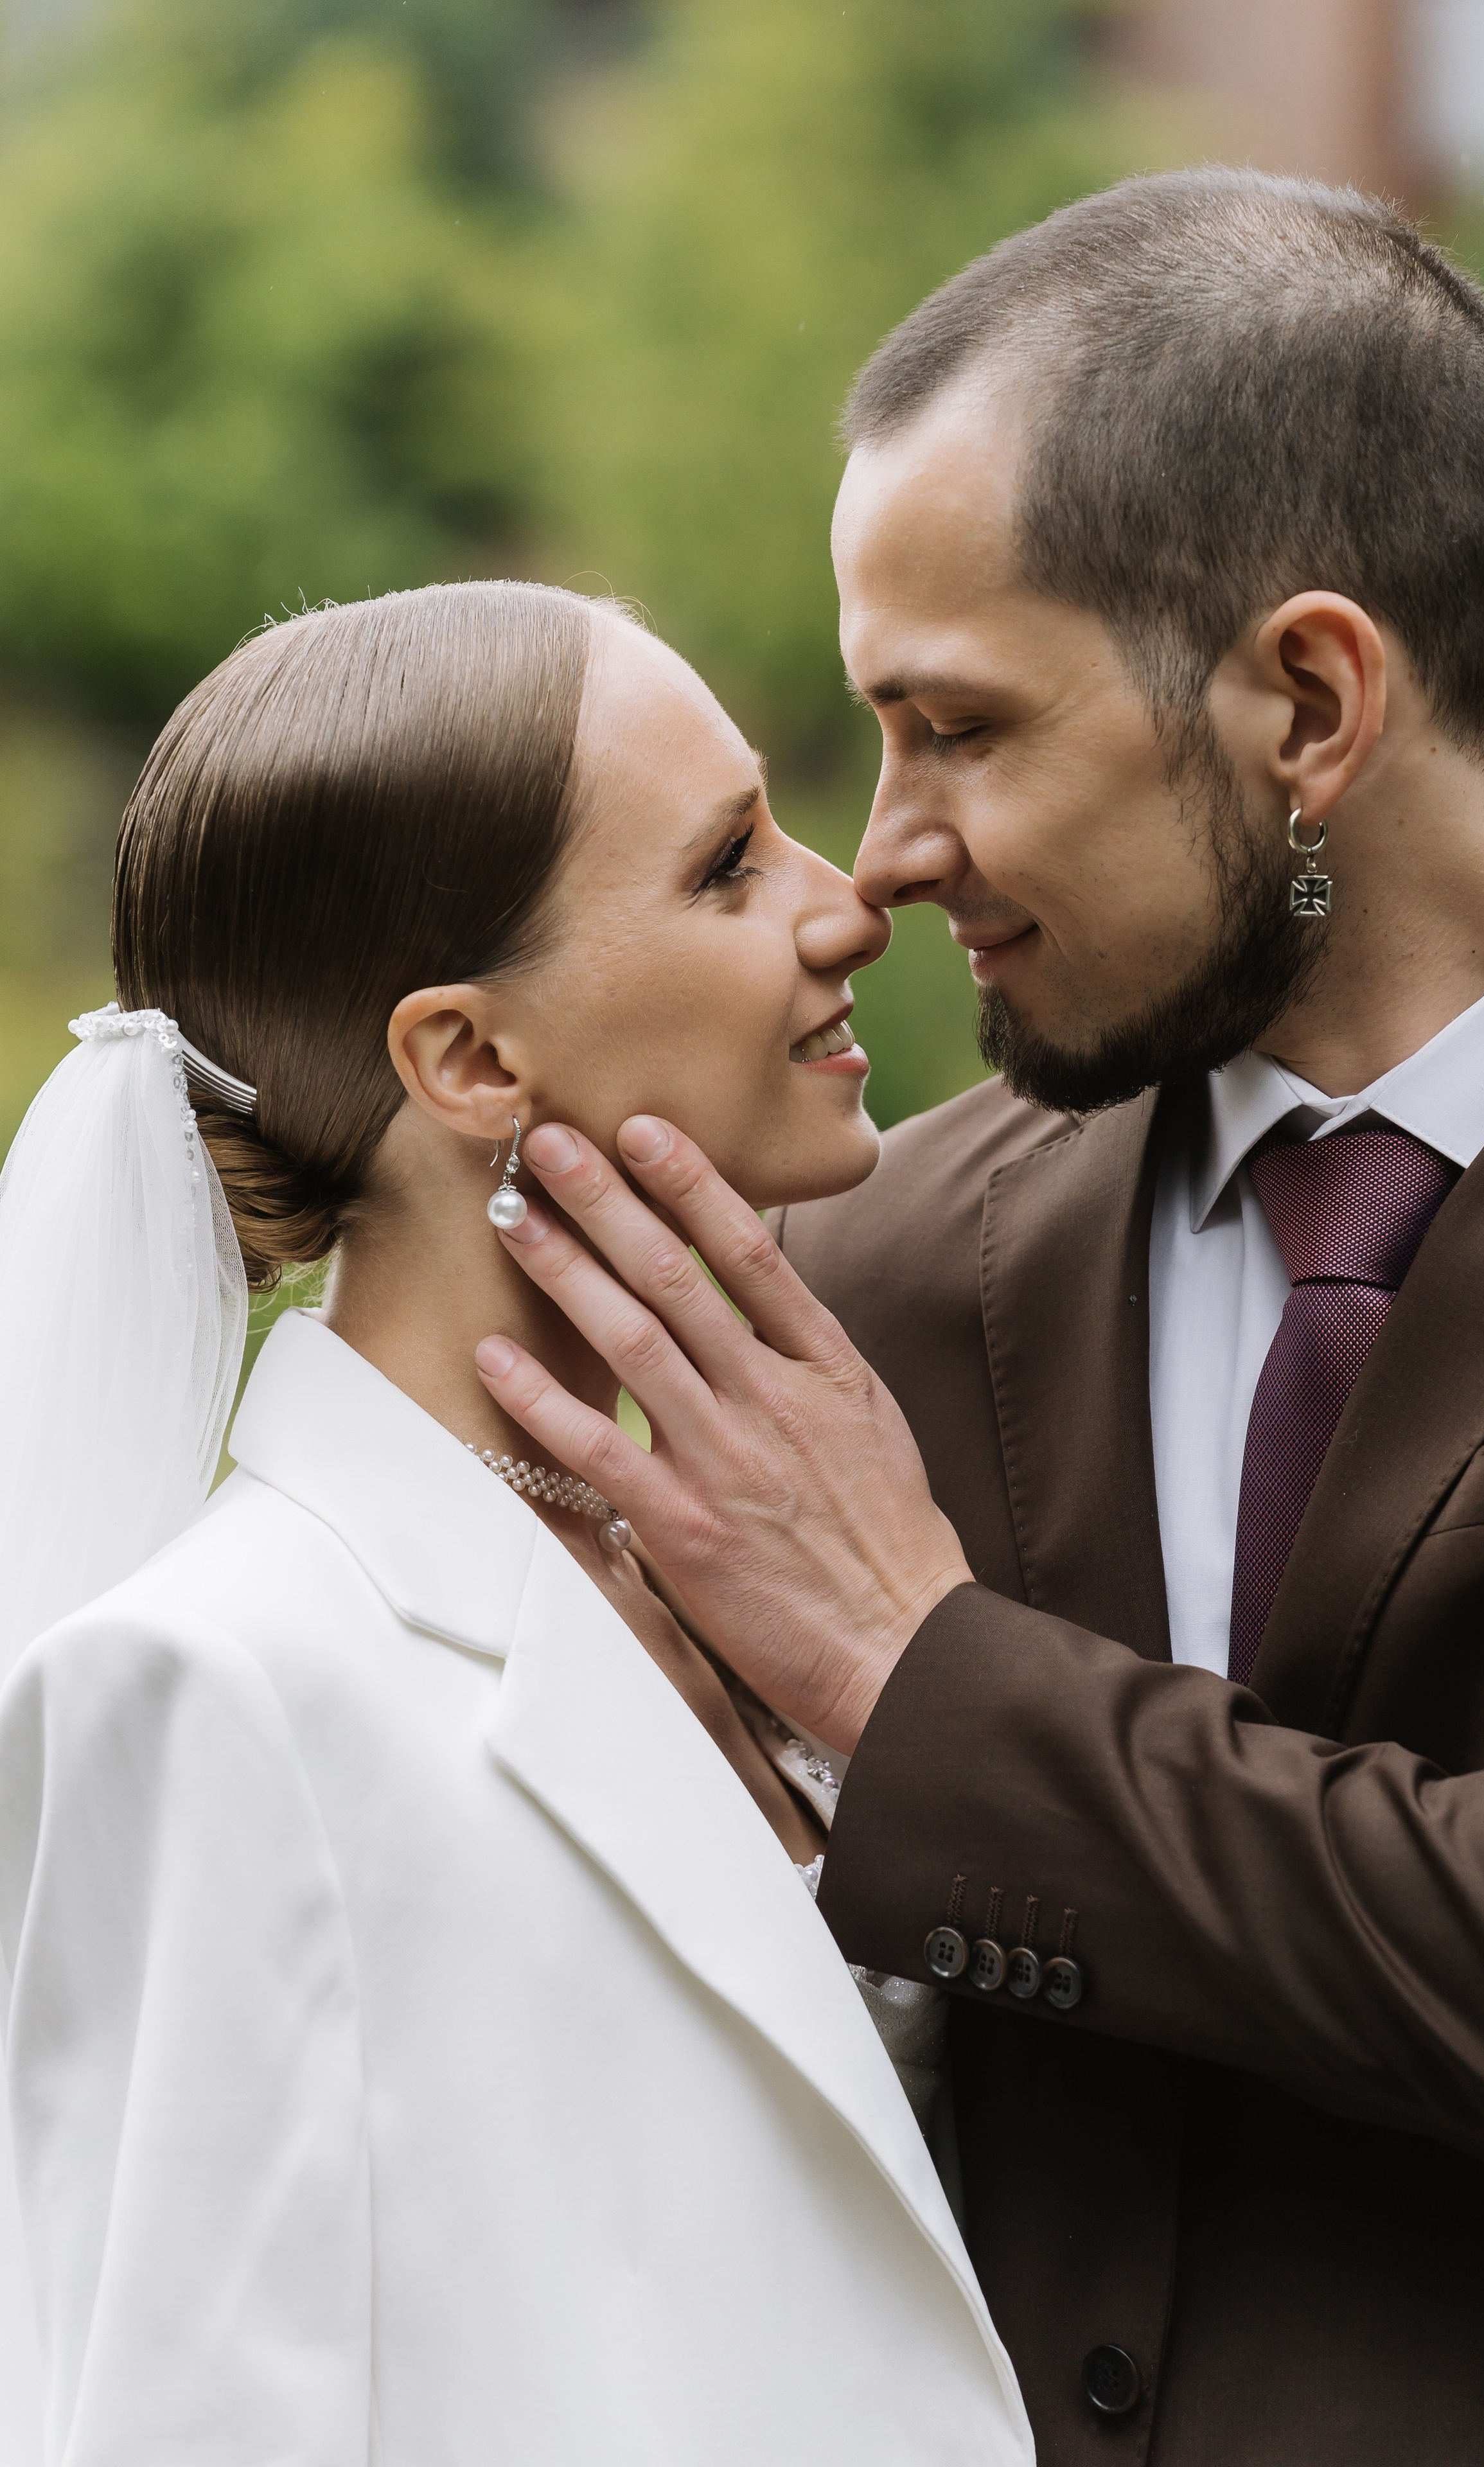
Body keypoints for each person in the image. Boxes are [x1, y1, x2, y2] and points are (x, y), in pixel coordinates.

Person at [469, 171, 1484, 2464]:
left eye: (962, 729)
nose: (881, 852)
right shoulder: (863, 1275)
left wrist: (925, 1699)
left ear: (1310, 700)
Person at [0, 581, 1032, 2466]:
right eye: (729, 867)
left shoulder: (741, 1577)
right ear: (469, 1062)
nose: (846, 907)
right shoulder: (214, 1689)